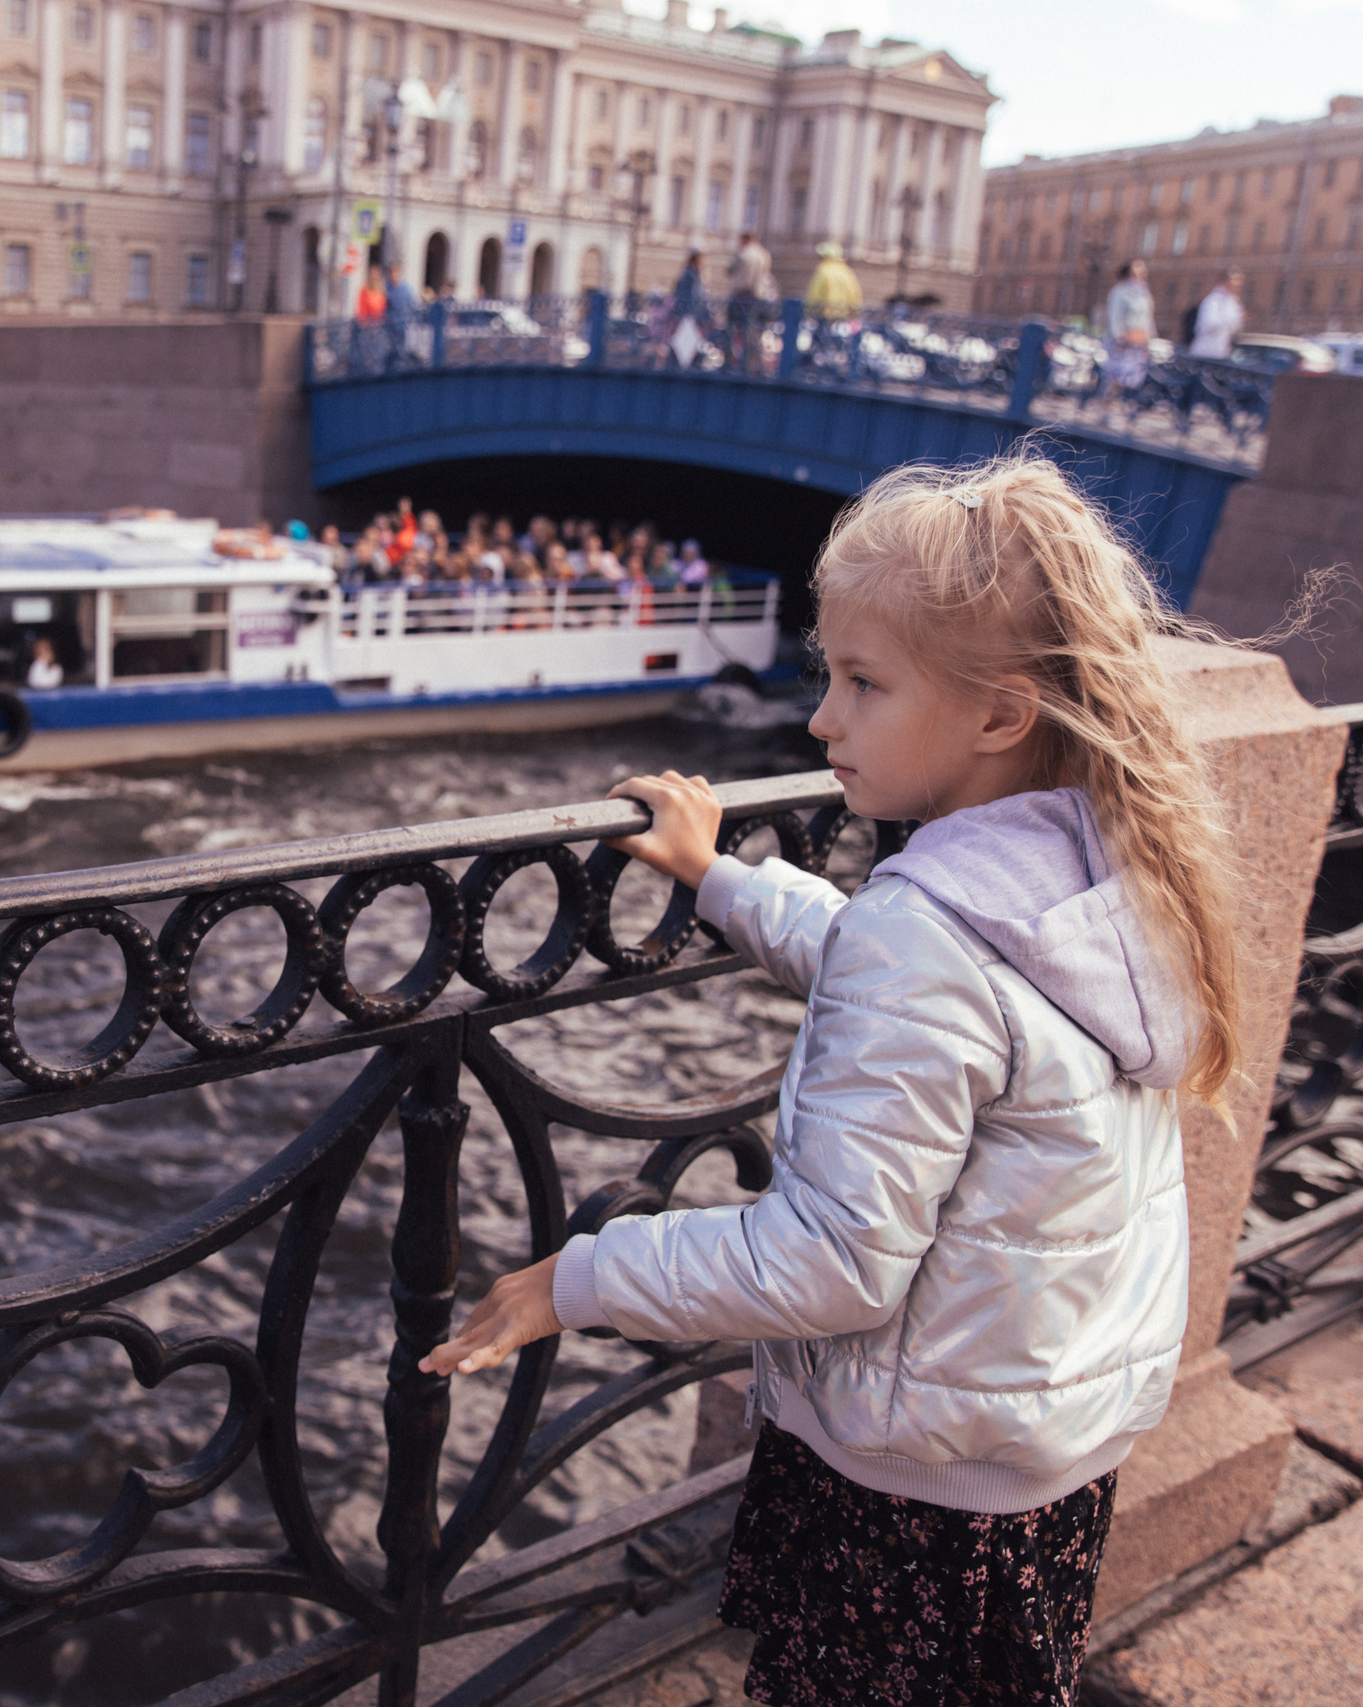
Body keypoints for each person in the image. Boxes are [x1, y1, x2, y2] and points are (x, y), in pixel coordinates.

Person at [424, 454, 1243, 1707]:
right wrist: (725, 879)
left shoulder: (933, 936)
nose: (821, 722)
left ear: (998, 716)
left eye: (862, 683)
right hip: (1032, 1452)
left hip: (908, 1491)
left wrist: (576, 1278)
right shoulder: (1102, 878)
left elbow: (832, 1263)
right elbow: (921, 985)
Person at [1103, 259, 1155, 409]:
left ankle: (1121, 407)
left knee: (1132, 377)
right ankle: (1108, 408)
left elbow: (1148, 318)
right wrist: (1119, 335)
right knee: (1115, 378)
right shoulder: (1120, 291)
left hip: (1138, 341)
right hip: (1123, 341)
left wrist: (1148, 337)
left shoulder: (1144, 293)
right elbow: (1115, 316)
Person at [724, 228, 779, 370]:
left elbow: (729, 270)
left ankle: (729, 361)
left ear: (744, 240)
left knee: (731, 327)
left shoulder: (743, 253)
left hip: (741, 294)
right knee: (752, 329)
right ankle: (751, 363)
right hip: (758, 295)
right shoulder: (764, 254)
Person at [802, 240, 863, 322]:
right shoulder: (846, 270)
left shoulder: (823, 269)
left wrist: (809, 310)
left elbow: (815, 292)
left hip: (824, 315)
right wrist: (855, 311)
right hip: (844, 315)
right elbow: (854, 292)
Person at [1191, 270, 1245, 361]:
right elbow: (1207, 324)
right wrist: (1231, 320)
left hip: (1221, 353)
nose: (1237, 286)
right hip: (1205, 352)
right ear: (1225, 282)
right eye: (1235, 281)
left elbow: (1235, 328)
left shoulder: (1233, 302)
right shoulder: (1213, 300)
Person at [668, 251, 709, 367]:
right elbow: (695, 297)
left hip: (689, 315)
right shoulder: (691, 276)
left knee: (685, 346)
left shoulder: (691, 275)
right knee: (687, 346)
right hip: (689, 316)